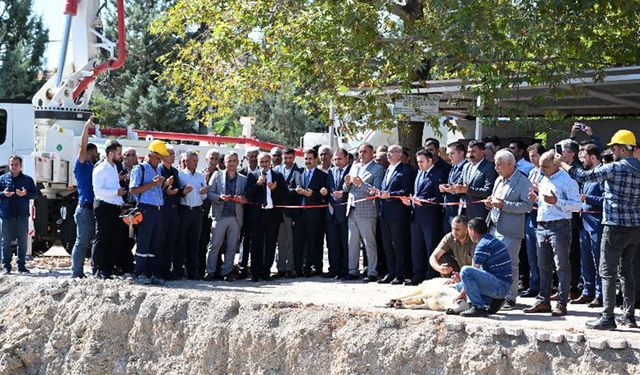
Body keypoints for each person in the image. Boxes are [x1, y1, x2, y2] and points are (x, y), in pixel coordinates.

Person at [557, 129, 640, 330]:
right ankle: (628, 316)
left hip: (614, 226)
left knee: (607, 272)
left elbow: (583, 176)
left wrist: (563, 163)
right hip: (635, 227)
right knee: (627, 272)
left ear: (621, 148)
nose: (611, 151)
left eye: (613, 147)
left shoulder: (614, 168)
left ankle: (608, 316)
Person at [523, 150, 581, 317]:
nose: (542, 170)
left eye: (546, 166)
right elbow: (546, 201)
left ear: (556, 164)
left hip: (560, 226)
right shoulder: (543, 178)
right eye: (541, 166)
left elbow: (577, 206)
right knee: (543, 266)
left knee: (561, 266)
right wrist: (537, 199)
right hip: (542, 225)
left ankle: (562, 303)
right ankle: (543, 300)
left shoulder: (567, 180)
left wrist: (557, 202)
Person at [485, 149, 533, 310]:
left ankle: (510, 297)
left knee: (510, 263)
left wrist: (504, 205)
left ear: (511, 164)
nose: (496, 168)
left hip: (511, 229)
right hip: (495, 226)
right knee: (492, 262)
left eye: (499, 165)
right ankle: (495, 294)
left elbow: (527, 206)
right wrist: (490, 203)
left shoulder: (523, 181)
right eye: (495, 164)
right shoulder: (499, 179)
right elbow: (494, 199)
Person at [402, 149, 444, 285]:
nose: (419, 164)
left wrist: (424, 202)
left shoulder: (437, 174)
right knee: (417, 247)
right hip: (417, 216)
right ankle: (417, 274)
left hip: (430, 217)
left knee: (430, 247)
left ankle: (431, 276)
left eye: (421, 161)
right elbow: (416, 193)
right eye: (418, 161)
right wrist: (410, 201)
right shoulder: (419, 173)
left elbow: (439, 198)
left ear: (430, 160)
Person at [129, 140, 169, 284]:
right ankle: (140, 272)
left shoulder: (157, 169)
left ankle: (152, 273)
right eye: (157, 158)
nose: (159, 162)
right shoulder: (139, 169)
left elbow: (156, 190)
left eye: (160, 159)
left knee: (155, 242)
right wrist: (153, 183)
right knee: (144, 241)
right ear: (150, 155)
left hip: (158, 210)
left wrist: (164, 185)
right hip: (146, 208)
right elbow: (133, 190)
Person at [342, 143, 384, 281]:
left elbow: (376, 190)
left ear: (372, 153)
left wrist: (361, 184)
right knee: (352, 242)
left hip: (367, 209)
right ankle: (352, 270)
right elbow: (346, 189)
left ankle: (372, 271)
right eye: (360, 152)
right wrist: (347, 183)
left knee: (369, 242)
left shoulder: (377, 169)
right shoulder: (354, 166)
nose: (361, 154)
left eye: (364, 151)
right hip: (352, 208)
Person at [570, 143, 604, 307]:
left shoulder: (603, 174)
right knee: (585, 259)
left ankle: (600, 293)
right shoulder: (587, 175)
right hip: (584, 222)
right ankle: (587, 291)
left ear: (593, 157)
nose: (582, 162)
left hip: (597, 223)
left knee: (598, 259)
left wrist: (587, 199)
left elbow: (606, 200)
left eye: (584, 158)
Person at [457, 218, 512, 317]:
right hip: (502, 285)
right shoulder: (489, 239)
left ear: (473, 231)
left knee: (465, 271)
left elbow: (474, 269)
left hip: (500, 286)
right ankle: (494, 301)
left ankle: (479, 308)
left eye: (469, 231)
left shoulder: (483, 244)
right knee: (460, 286)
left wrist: (462, 294)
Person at [205, 152, 247, 281]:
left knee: (231, 247)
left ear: (238, 161)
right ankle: (210, 272)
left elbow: (247, 198)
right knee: (214, 245)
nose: (232, 163)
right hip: (219, 216)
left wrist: (242, 199)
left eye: (234, 160)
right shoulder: (217, 176)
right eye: (229, 161)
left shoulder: (243, 179)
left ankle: (226, 272)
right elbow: (209, 192)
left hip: (236, 217)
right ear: (225, 162)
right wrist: (219, 197)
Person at [245, 152, 287, 281]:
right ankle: (255, 273)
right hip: (258, 215)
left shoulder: (278, 176)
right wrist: (258, 184)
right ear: (258, 163)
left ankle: (266, 272)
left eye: (266, 162)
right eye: (261, 162)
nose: (264, 165)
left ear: (270, 162)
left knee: (270, 244)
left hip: (272, 215)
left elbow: (285, 195)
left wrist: (275, 189)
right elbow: (247, 194)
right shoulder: (252, 175)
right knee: (256, 244)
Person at [376, 145, 413, 284]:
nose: (388, 154)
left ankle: (400, 273)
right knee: (387, 244)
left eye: (392, 152)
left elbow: (406, 190)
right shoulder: (387, 170)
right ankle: (390, 272)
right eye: (388, 152)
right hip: (385, 212)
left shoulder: (405, 170)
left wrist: (390, 195)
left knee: (398, 244)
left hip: (398, 213)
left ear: (399, 154)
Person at [92, 140, 126, 279]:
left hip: (114, 207)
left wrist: (121, 202)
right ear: (110, 153)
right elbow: (98, 191)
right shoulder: (101, 169)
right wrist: (116, 193)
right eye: (118, 153)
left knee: (114, 238)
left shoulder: (114, 167)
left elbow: (112, 186)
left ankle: (108, 268)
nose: (121, 156)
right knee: (102, 238)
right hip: (104, 207)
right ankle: (98, 268)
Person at [70, 116, 99, 278]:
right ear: (88, 152)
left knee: (92, 241)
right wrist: (86, 127)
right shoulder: (81, 164)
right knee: (81, 242)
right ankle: (76, 272)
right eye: (94, 152)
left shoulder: (91, 166)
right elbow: (82, 146)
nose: (96, 155)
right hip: (84, 209)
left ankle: (90, 270)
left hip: (92, 209)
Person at [0, 155, 38, 274]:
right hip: (6, 215)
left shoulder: (27, 180)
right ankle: (6, 266)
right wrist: (3, 194)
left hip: (22, 215)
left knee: (22, 241)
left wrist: (25, 193)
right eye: (12, 164)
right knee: (5, 241)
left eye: (16, 164)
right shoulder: (2, 179)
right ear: (9, 165)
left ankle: (21, 265)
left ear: (20, 166)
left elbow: (36, 195)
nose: (14, 167)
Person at [293, 149, 328, 277]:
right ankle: (298, 268)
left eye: (310, 159)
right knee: (298, 242)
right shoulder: (298, 174)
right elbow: (291, 191)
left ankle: (314, 267)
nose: (307, 161)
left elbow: (325, 195)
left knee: (314, 242)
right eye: (306, 159)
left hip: (315, 215)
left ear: (316, 159)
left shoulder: (322, 175)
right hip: (300, 214)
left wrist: (312, 195)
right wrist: (296, 191)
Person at [177, 151, 208, 280]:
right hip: (184, 210)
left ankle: (193, 272)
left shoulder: (201, 176)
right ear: (186, 161)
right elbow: (177, 193)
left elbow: (204, 196)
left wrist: (203, 193)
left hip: (197, 211)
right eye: (193, 160)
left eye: (196, 160)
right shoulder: (179, 175)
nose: (195, 162)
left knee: (194, 243)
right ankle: (178, 270)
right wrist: (183, 192)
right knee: (180, 241)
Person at [520, 143, 546, 298]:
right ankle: (534, 285)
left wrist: (538, 190)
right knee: (531, 253)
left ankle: (544, 287)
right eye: (530, 156)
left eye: (535, 155)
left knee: (542, 253)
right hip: (530, 214)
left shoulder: (548, 172)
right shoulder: (531, 172)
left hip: (542, 216)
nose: (532, 159)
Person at [323, 148, 351, 279]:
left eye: (339, 159)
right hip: (331, 212)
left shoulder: (352, 170)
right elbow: (328, 189)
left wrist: (344, 194)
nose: (337, 162)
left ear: (346, 158)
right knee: (332, 243)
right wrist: (324, 191)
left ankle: (345, 270)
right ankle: (334, 269)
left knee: (345, 243)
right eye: (335, 159)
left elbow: (354, 190)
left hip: (345, 213)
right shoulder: (331, 171)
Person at [275, 147, 302, 278]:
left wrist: (284, 191)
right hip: (277, 211)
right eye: (285, 158)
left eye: (290, 158)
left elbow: (297, 190)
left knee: (290, 239)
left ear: (294, 157)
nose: (288, 160)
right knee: (280, 240)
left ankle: (290, 267)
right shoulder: (277, 170)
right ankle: (280, 267)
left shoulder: (298, 172)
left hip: (291, 211)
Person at [157, 146, 182, 280]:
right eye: (170, 153)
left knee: (171, 241)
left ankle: (167, 270)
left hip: (174, 210)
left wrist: (183, 191)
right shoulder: (159, 170)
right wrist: (166, 189)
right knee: (161, 241)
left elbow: (177, 188)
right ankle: (159, 270)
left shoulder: (175, 171)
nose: (173, 156)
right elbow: (155, 189)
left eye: (173, 153)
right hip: (163, 210)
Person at [456, 140, 497, 221]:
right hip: (463, 210)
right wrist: (452, 188)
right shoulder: (466, 166)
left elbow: (488, 191)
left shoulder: (489, 167)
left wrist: (468, 190)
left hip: (478, 212)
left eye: (473, 151)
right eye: (469, 151)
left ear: (482, 152)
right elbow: (460, 184)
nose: (470, 154)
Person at [238, 146, 260, 278]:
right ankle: (242, 268)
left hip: (259, 213)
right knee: (244, 241)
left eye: (254, 156)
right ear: (246, 158)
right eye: (249, 156)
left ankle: (256, 268)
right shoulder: (241, 173)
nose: (252, 159)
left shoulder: (264, 172)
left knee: (257, 242)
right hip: (244, 212)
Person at [198, 148, 220, 278]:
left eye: (216, 159)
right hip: (202, 213)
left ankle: (216, 270)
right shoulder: (200, 174)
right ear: (206, 159)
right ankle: (201, 269)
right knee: (202, 242)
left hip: (217, 213)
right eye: (211, 158)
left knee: (216, 243)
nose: (214, 161)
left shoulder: (222, 175)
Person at [440, 141, 467, 233]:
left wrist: (452, 189)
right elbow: (451, 184)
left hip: (458, 209)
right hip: (449, 209)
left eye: (452, 153)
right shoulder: (453, 167)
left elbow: (462, 187)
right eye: (448, 154)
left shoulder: (466, 167)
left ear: (461, 153)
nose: (449, 156)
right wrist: (444, 188)